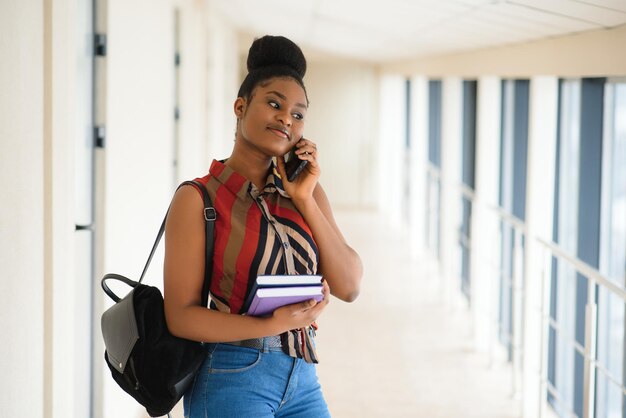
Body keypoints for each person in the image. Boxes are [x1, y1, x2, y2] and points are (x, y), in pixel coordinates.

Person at [163, 34, 363, 417]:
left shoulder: (306, 193)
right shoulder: (198, 198)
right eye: (274, 103)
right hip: (232, 374)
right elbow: (181, 316)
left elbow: (350, 285)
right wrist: (268, 324)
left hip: (302, 378)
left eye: (298, 113)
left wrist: (304, 196)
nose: (286, 118)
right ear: (240, 106)